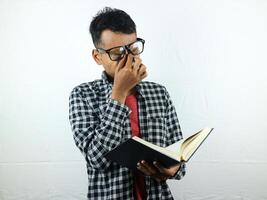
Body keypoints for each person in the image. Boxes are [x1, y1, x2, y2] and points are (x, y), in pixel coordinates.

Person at [69, 7, 186, 200]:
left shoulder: (159, 93)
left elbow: (179, 158)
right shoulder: (83, 95)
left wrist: (174, 169)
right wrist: (119, 93)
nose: (128, 59)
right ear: (98, 57)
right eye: (117, 53)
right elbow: (97, 160)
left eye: (133, 48)